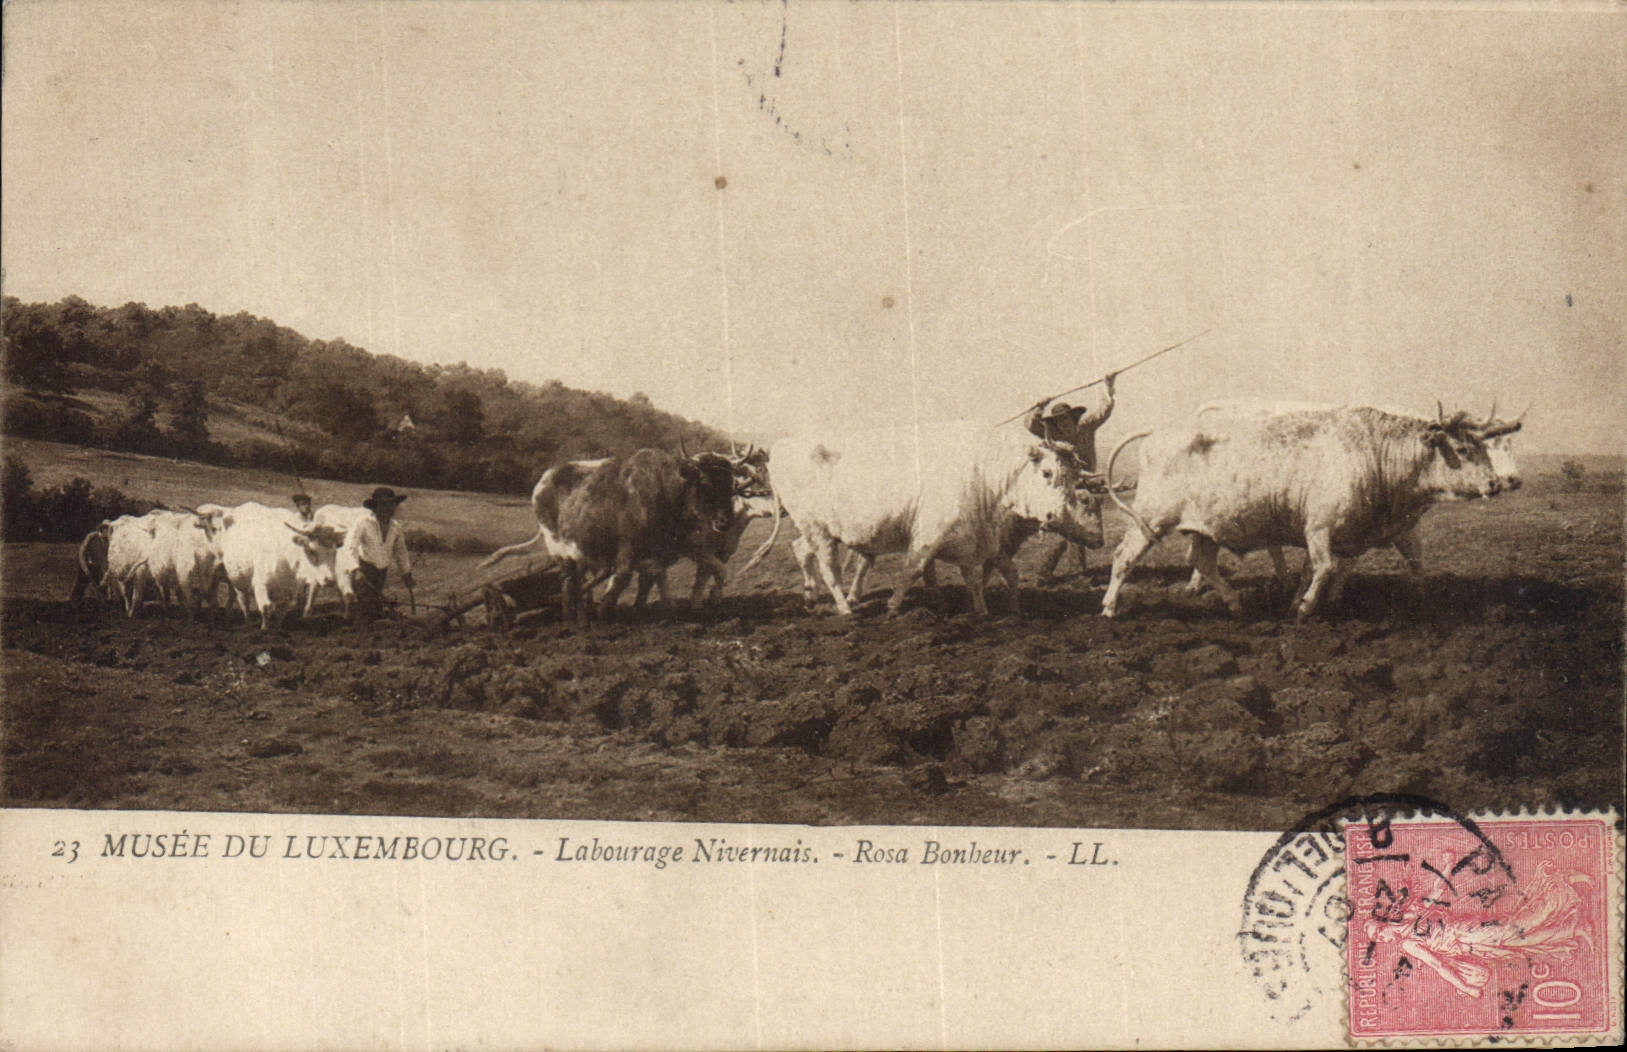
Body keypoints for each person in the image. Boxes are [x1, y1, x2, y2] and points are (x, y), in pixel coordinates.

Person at [1026, 373, 1115, 584]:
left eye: (1065, 419)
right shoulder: (1053, 435)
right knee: (1076, 526)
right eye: (1058, 421)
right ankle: (1075, 573)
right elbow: (1030, 425)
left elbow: (1104, 410)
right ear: (1054, 424)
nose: (1063, 424)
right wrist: (1038, 407)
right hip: (1066, 486)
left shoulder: (1086, 426)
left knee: (1076, 528)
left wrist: (1109, 385)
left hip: (1087, 483)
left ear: (1073, 418)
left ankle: (1046, 571)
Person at [348, 487, 414, 623]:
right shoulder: (363, 523)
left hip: (381, 572)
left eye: (391, 505)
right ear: (375, 508)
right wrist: (356, 570)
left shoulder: (396, 527)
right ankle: (360, 637)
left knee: (376, 607)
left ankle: (373, 634)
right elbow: (351, 546)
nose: (388, 509)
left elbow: (401, 552)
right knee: (366, 606)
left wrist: (406, 573)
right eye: (383, 505)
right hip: (364, 571)